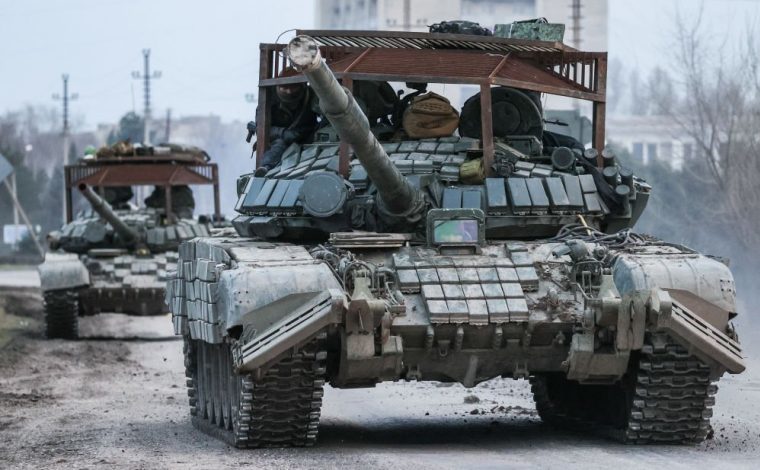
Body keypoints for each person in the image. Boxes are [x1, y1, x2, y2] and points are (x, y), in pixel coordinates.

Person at [254, 68, 318, 176]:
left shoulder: (310, 95)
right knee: (279, 145)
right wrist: (283, 133)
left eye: (293, 87)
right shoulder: (268, 99)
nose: (289, 91)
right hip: (280, 140)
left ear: (301, 85)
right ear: (278, 86)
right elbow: (262, 129)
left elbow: (324, 113)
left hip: (307, 136)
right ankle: (266, 167)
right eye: (285, 87)